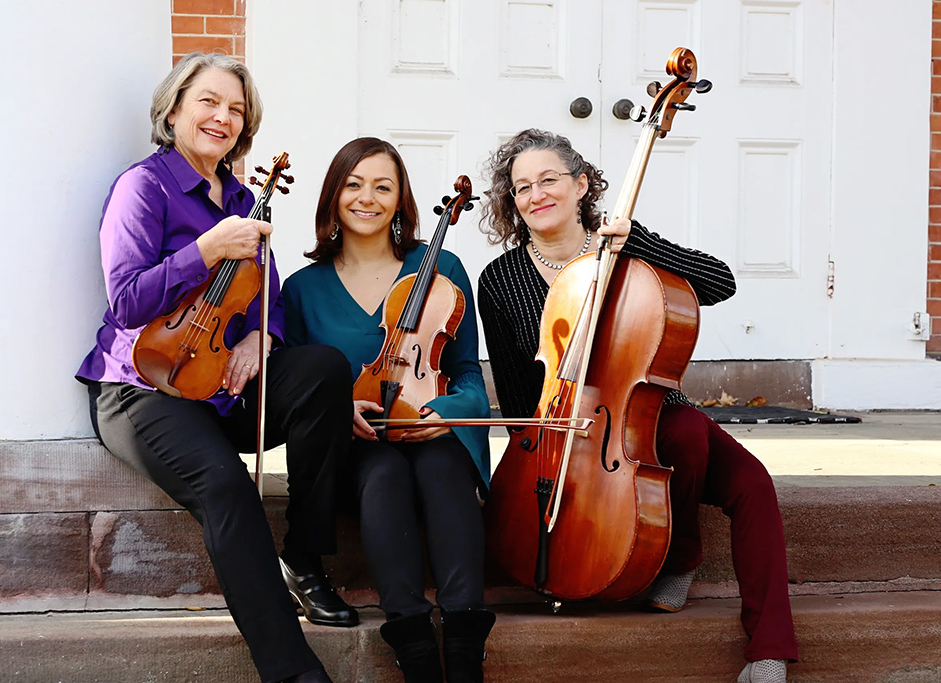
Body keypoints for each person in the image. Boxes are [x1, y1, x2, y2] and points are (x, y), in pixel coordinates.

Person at [475, 129, 798, 683]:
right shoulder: (500, 279)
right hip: (568, 429)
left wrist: (636, 245)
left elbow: (719, 282)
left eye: (549, 179)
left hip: (650, 408)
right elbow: (516, 391)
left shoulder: (627, 246)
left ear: (581, 184)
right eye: (521, 186)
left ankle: (764, 645)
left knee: (745, 478)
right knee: (688, 437)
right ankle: (666, 555)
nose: (536, 194)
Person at [76, 52, 358, 683]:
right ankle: (293, 671)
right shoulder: (142, 188)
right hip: (144, 389)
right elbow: (125, 302)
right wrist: (204, 250)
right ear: (173, 109)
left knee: (322, 370)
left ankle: (306, 559)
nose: (222, 117)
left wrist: (264, 337)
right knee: (227, 486)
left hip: (223, 388)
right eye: (208, 101)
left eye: (236, 109)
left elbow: (269, 295)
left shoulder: (243, 198)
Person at [281, 137, 495, 683]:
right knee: (384, 474)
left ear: (401, 200)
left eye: (383, 186)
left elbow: (468, 370)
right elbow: (297, 387)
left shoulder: (439, 265)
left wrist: (449, 410)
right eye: (353, 185)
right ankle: (416, 649)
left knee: (444, 467)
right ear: (333, 197)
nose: (367, 198)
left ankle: (467, 651)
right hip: (359, 445)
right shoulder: (302, 289)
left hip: (432, 430)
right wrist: (339, 407)